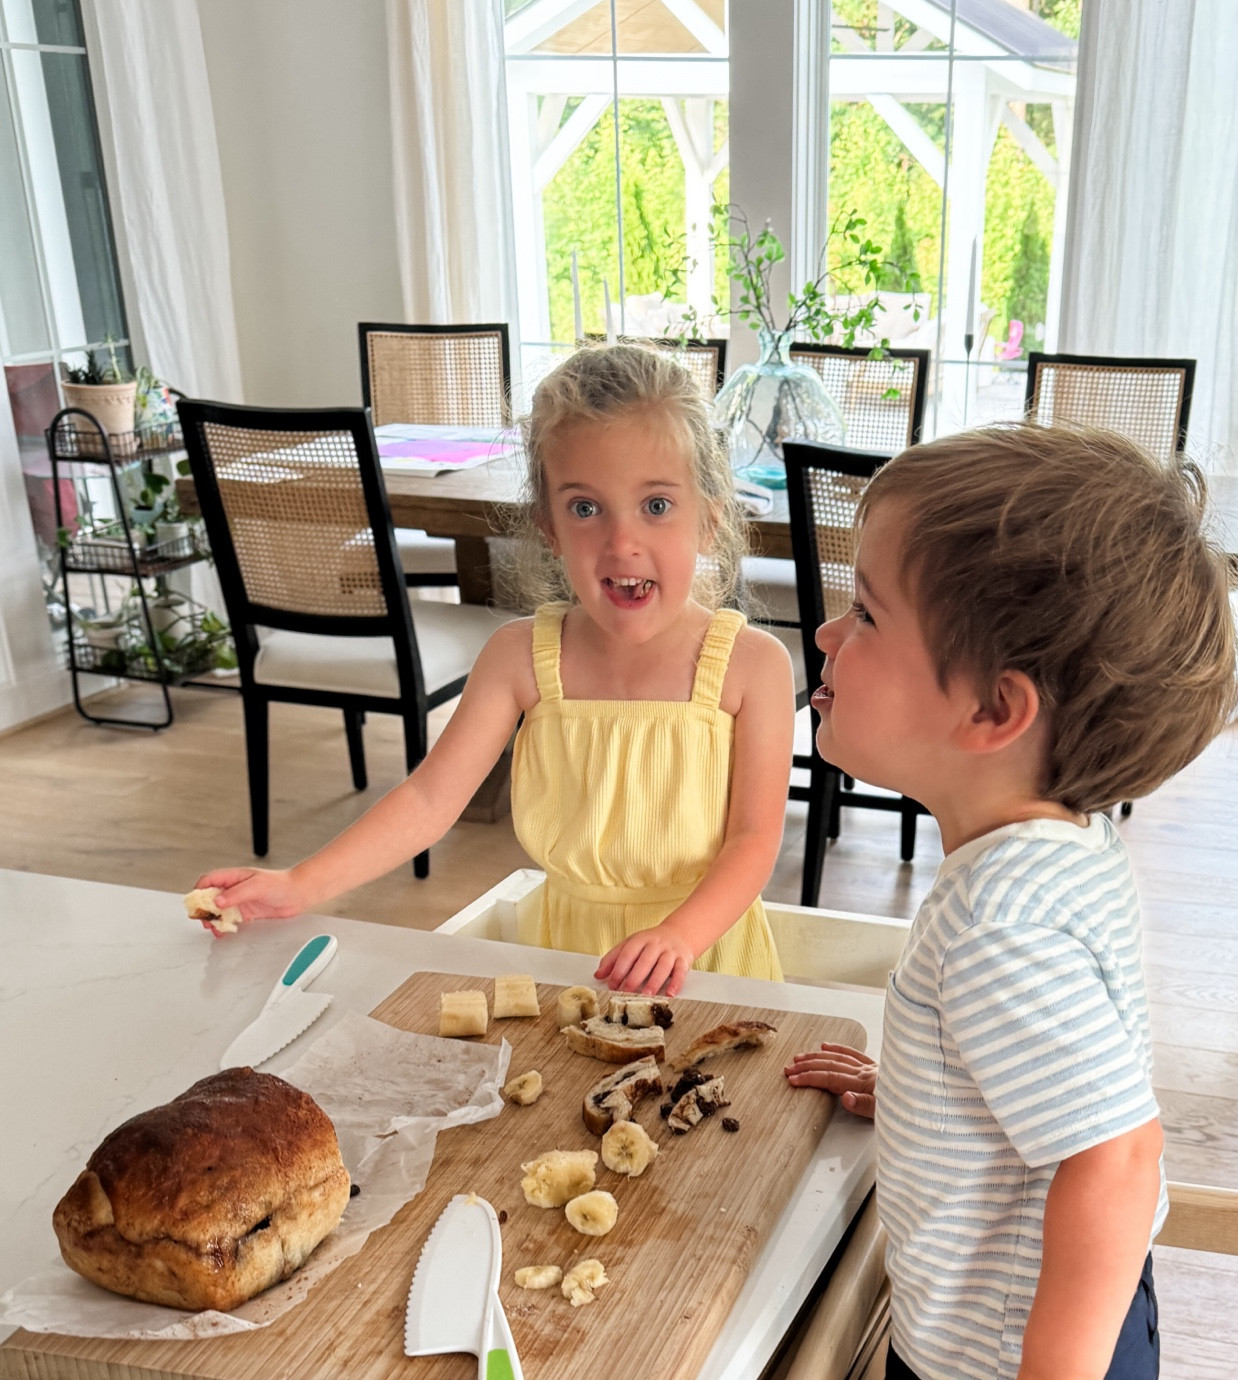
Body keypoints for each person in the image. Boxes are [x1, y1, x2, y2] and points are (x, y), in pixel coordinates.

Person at [785, 424, 1238, 1380]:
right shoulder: (1064, 833)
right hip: (1038, 1318)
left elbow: (1113, 1147)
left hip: (1017, 1358)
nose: (824, 632)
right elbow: (1058, 1078)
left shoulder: (995, 923)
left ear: (993, 712)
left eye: (867, 614)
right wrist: (923, 1089)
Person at [190, 344, 793, 994]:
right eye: (585, 508)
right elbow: (428, 799)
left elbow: (754, 840)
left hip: (706, 960)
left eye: (656, 505)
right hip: (565, 957)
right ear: (549, 528)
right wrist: (299, 884)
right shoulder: (519, 658)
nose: (623, 542)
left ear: (709, 516)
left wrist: (681, 936)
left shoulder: (752, 667)